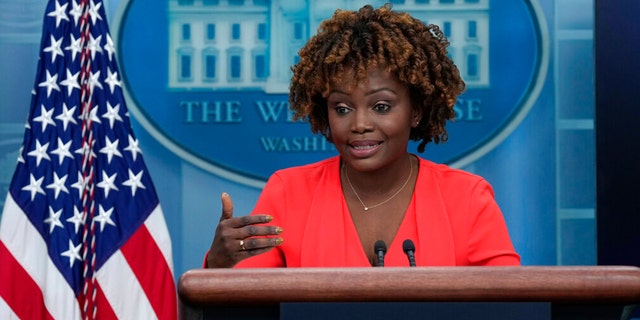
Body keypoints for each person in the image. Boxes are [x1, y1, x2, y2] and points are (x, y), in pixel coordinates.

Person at [205, 3, 520, 268]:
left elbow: (512, 304)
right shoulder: (289, 193)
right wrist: (219, 265)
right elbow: (242, 301)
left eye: (381, 106)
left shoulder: (467, 199)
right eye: (341, 108)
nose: (359, 124)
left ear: (416, 111)